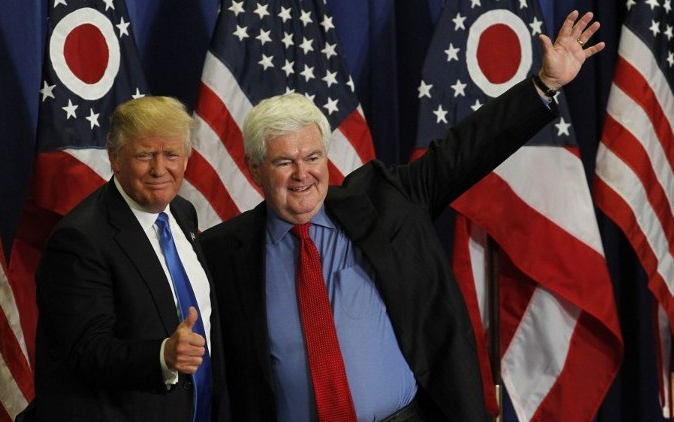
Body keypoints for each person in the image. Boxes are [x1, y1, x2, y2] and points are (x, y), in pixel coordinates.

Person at [199, 10, 604, 422]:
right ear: (253, 169)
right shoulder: (220, 252)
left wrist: (544, 85)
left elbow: (463, 152)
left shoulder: (384, 200)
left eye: (313, 157)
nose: (303, 174)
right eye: (285, 161)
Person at [32, 96, 228, 421]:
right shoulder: (80, 239)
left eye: (171, 155)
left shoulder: (182, 212)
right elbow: (85, 351)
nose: (159, 168)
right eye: (144, 155)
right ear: (115, 158)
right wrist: (162, 356)